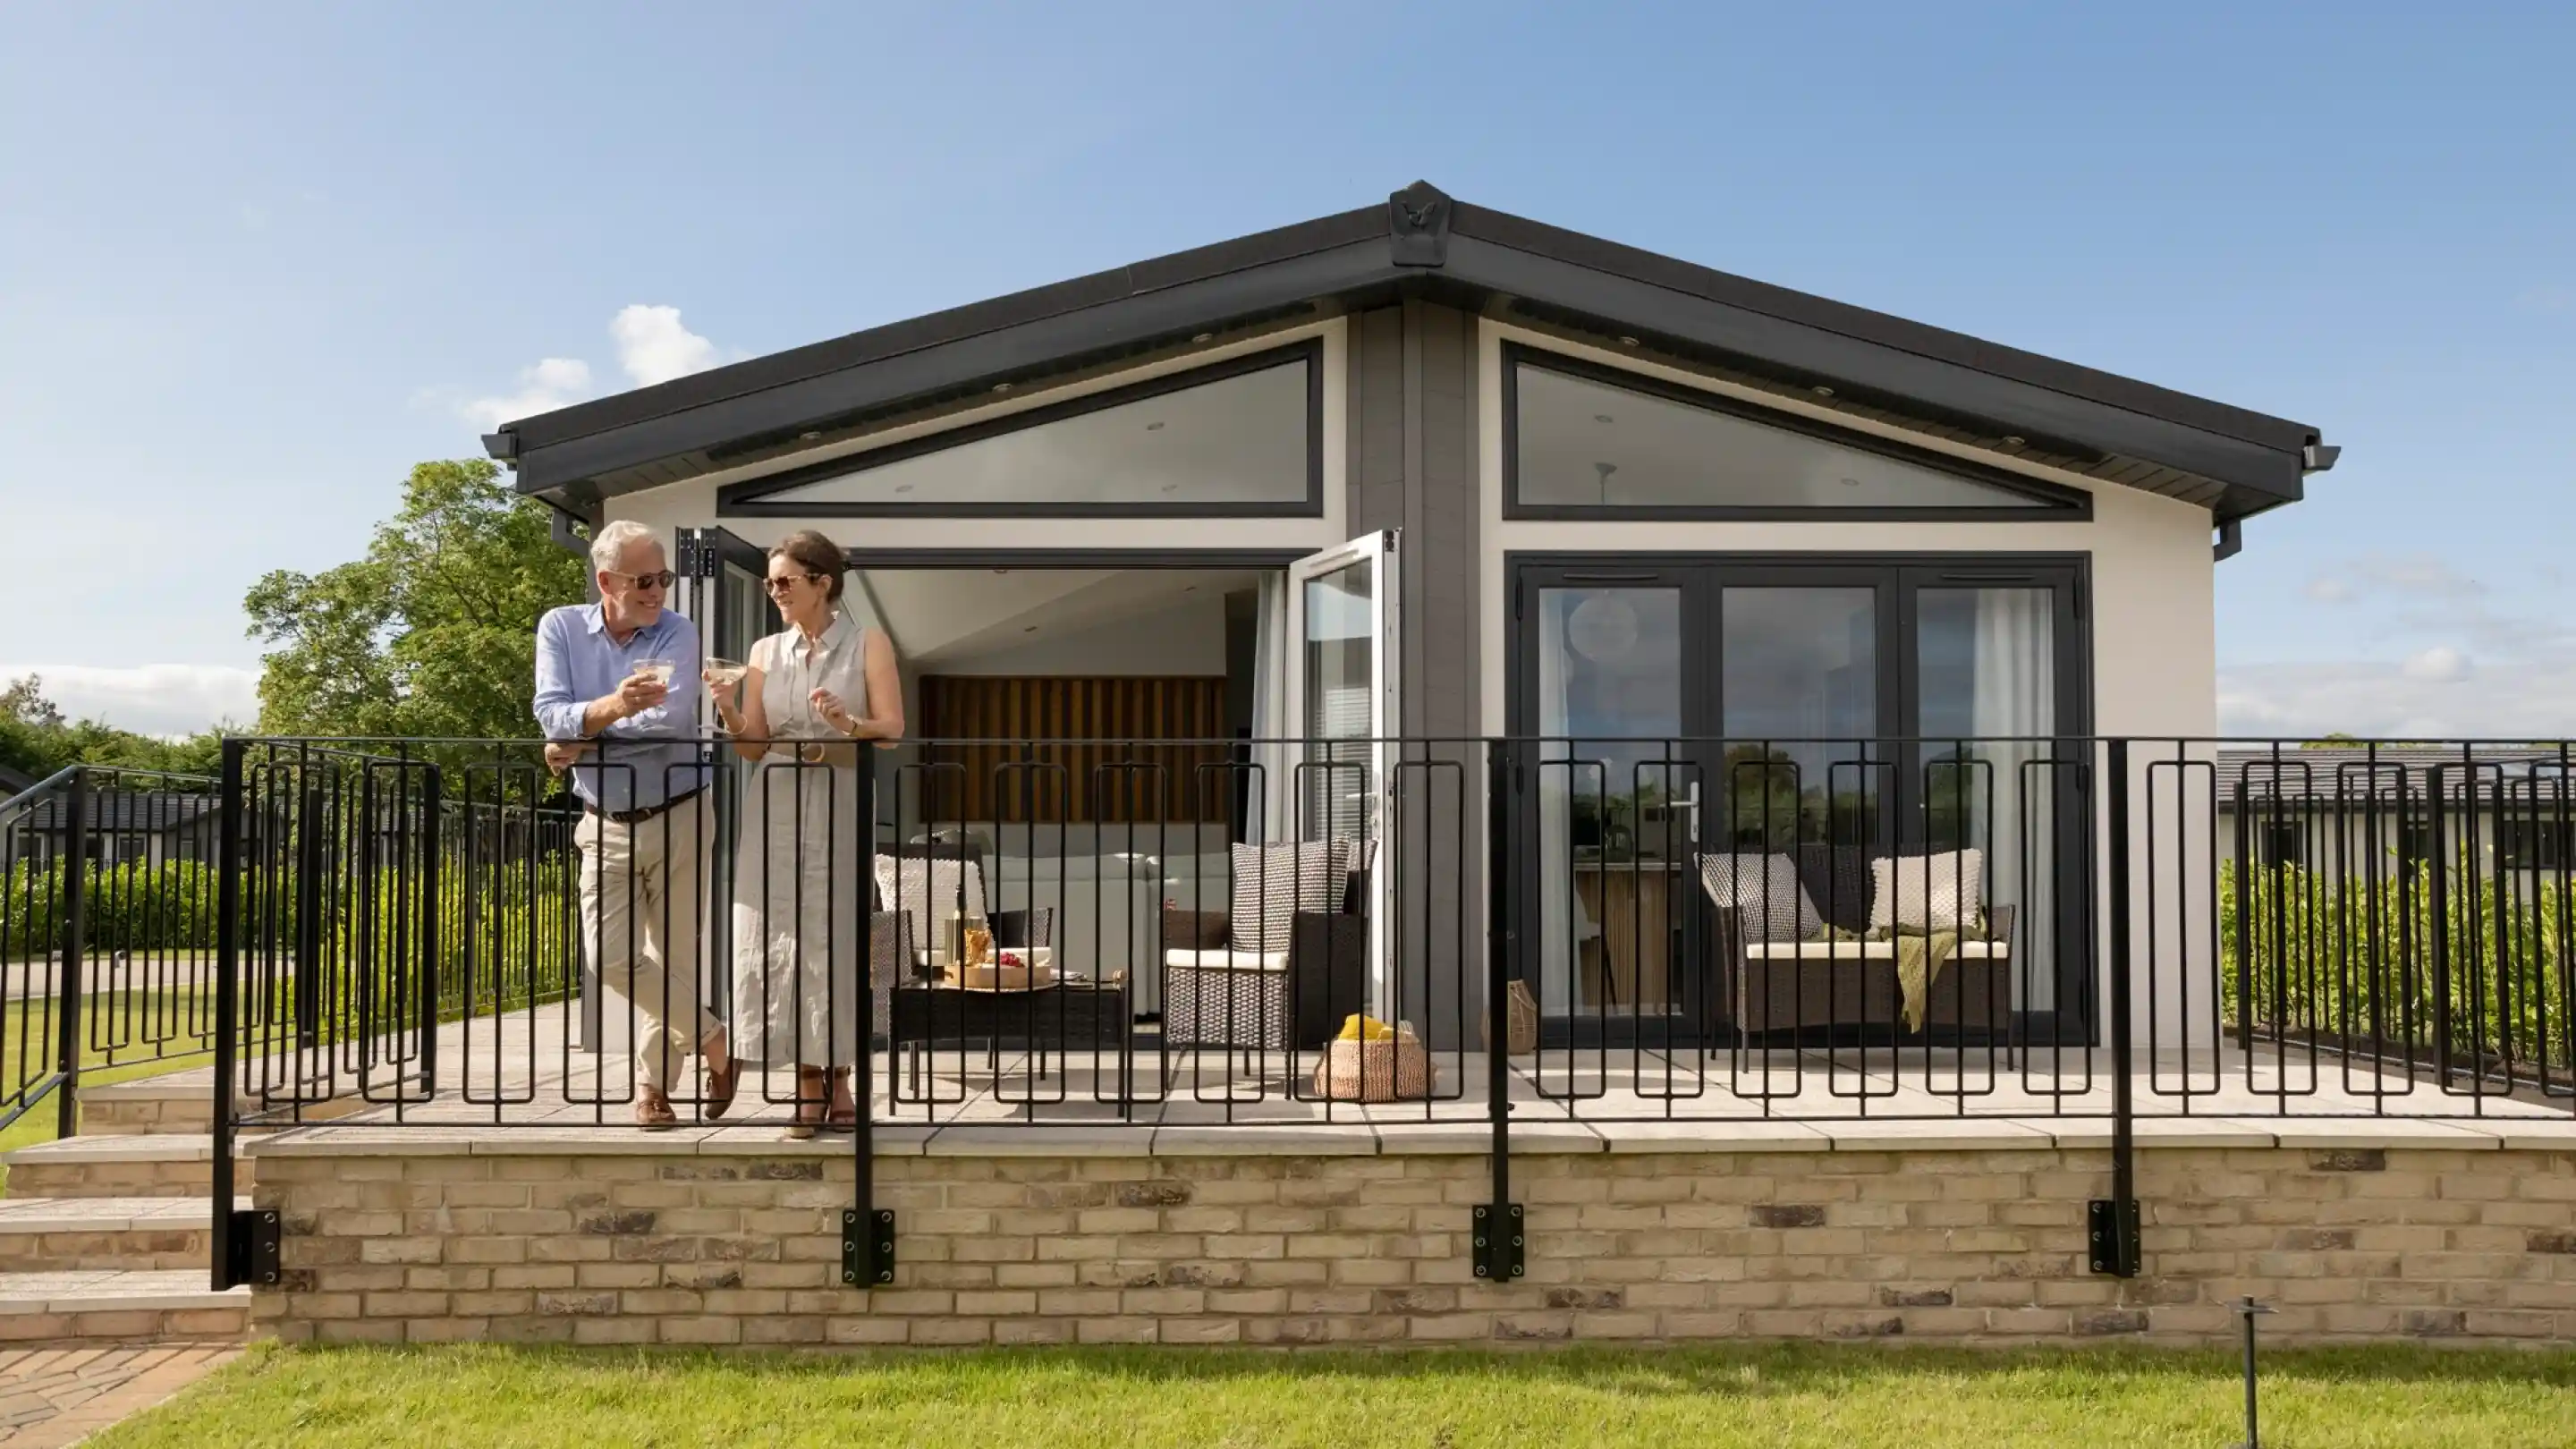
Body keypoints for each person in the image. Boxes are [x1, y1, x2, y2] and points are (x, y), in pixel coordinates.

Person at [533, 520, 739, 1129]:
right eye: (644, 580)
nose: (658, 591)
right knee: (610, 957)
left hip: (680, 811)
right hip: (602, 819)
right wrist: (612, 707)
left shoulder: (678, 630)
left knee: (672, 957)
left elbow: (668, 718)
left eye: (664, 578)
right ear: (606, 581)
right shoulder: (561, 628)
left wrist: (586, 732)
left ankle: (653, 1089)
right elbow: (550, 713)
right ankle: (712, 1036)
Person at [711, 530, 903, 1136]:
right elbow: (753, 746)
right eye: (769, 582)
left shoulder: (868, 644)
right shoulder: (764, 651)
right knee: (773, 938)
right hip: (773, 800)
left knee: (832, 936)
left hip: (839, 795)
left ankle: (838, 1076)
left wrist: (850, 723)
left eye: (784, 581)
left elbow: (892, 731)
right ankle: (805, 1081)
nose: (774, 592)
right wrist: (725, 707)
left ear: (822, 582)